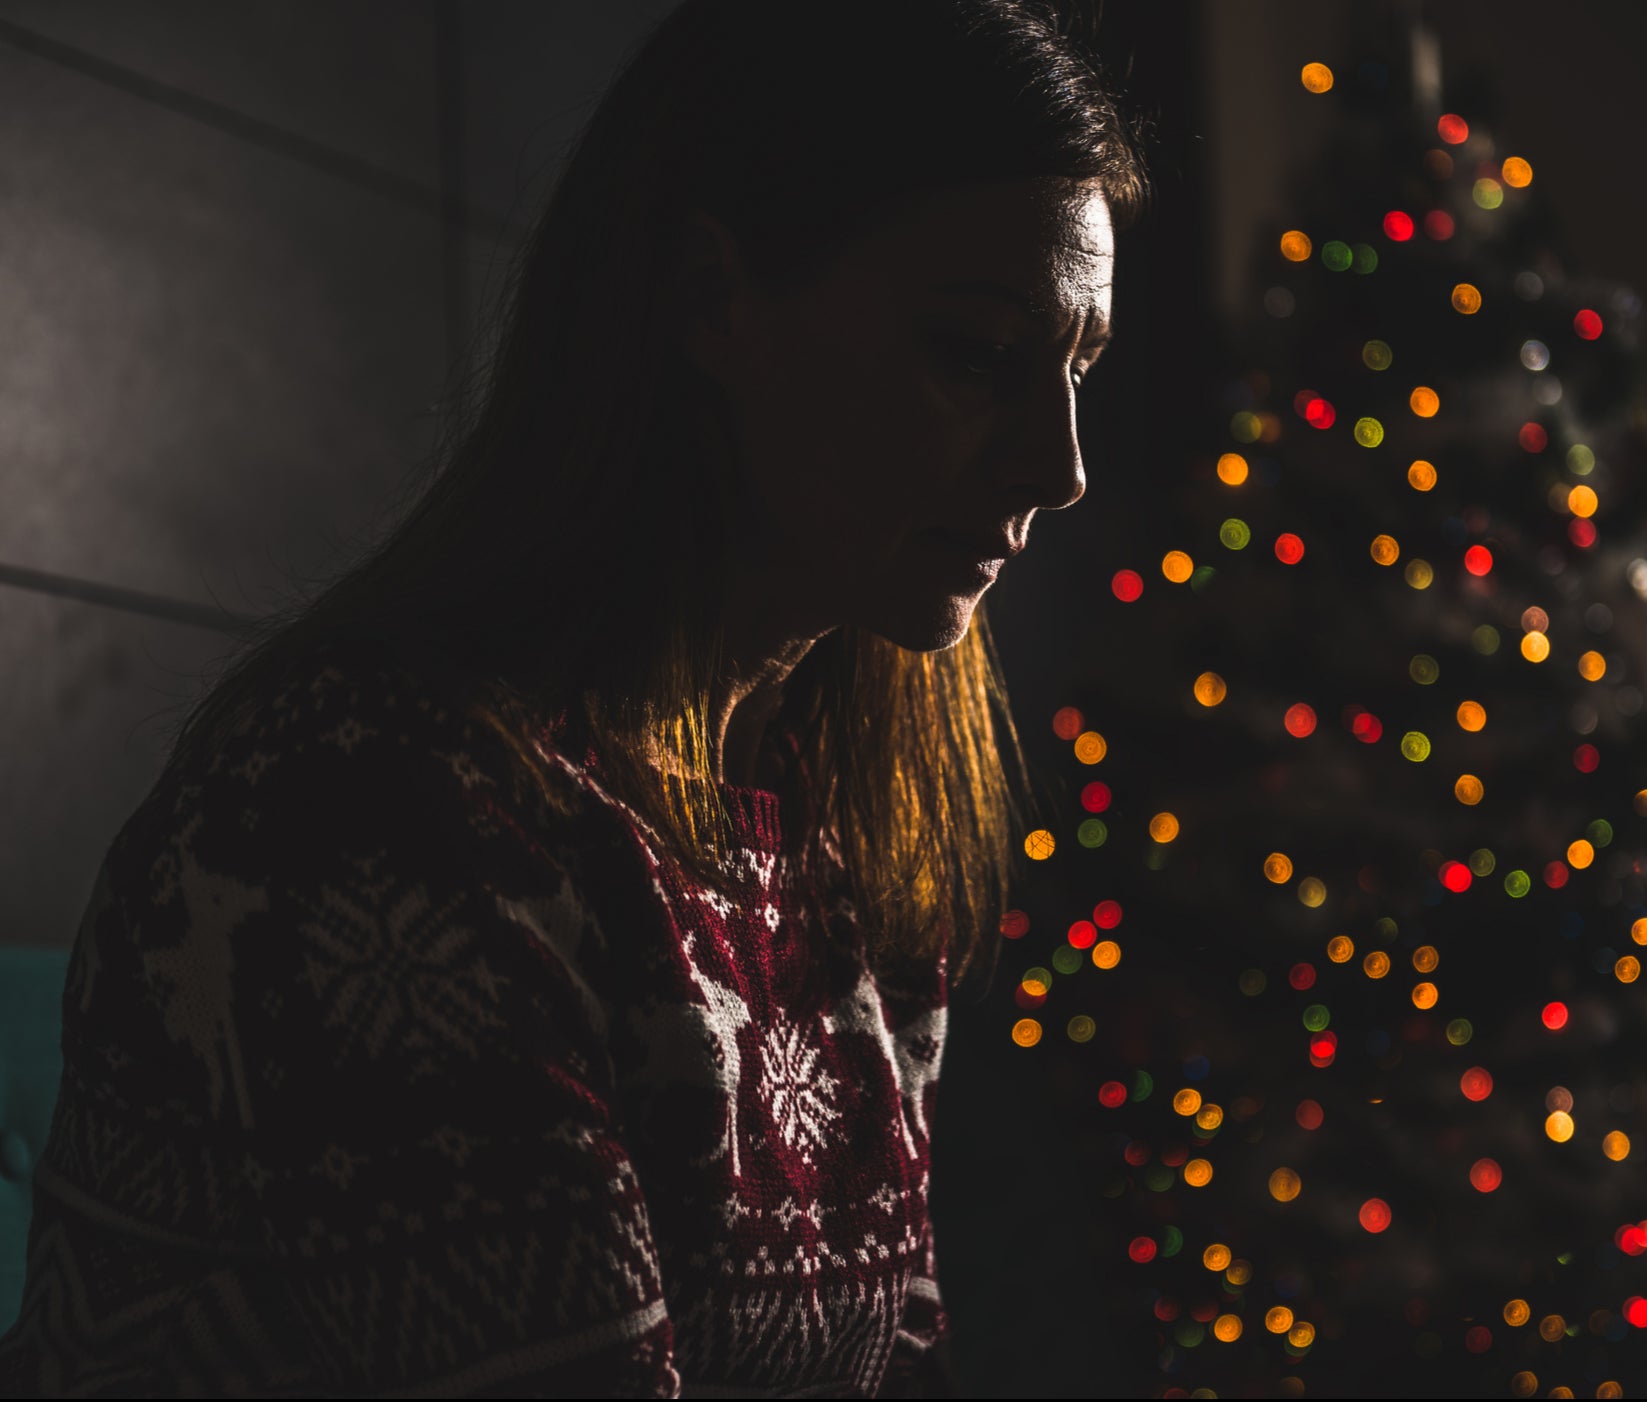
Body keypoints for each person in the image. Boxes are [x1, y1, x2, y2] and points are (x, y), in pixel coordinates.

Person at [0, 0, 1149, 1395]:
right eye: (976, 354)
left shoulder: (832, 831)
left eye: (1079, 369)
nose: (1063, 465)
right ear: (715, 299)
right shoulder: (380, 811)